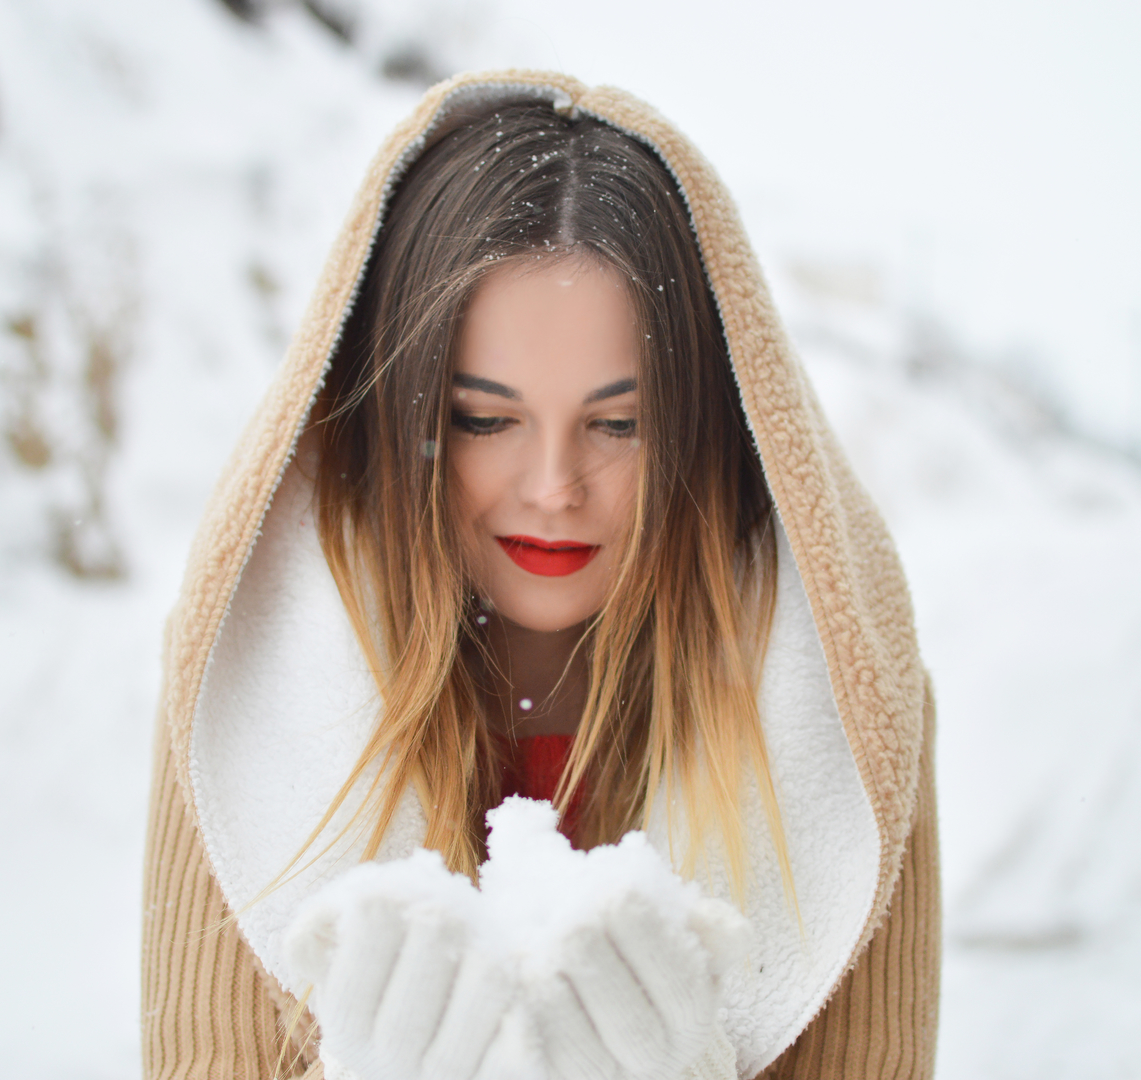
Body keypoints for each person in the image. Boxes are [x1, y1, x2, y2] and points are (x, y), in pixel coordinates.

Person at [142, 71, 940, 1080]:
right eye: (484, 419)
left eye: (617, 424)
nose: (555, 487)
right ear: (401, 417)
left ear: (705, 430)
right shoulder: (245, 684)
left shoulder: (841, 714)